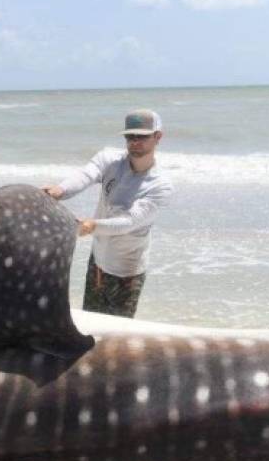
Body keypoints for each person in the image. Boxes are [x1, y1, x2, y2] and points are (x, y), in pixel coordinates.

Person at [43, 109, 173, 318]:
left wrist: (93, 225)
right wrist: (61, 190)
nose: (135, 141)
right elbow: (86, 175)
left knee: (116, 335)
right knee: (90, 324)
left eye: (142, 136)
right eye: (130, 136)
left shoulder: (160, 185)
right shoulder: (109, 160)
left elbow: (129, 222)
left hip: (127, 272)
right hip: (98, 265)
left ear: (158, 137)